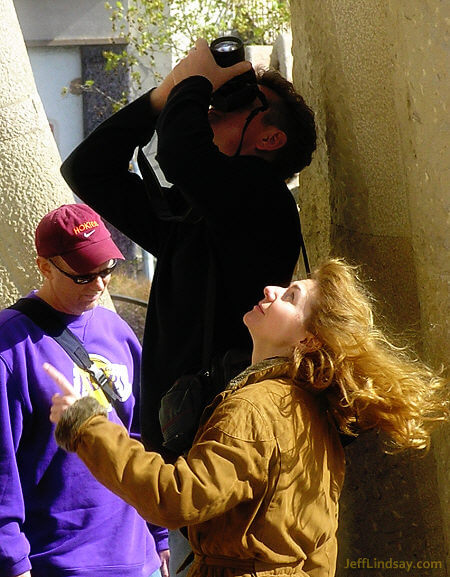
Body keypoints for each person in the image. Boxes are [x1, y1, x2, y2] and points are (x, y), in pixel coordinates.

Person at [46, 258, 447, 577]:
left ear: (309, 339)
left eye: (291, 297)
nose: (271, 290)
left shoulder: (258, 408)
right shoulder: (308, 407)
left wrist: (86, 423)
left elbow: (175, 497)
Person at [60, 38, 317, 455]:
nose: (215, 108)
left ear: (271, 139)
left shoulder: (264, 200)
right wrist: (163, 96)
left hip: (227, 442)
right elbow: (88, 170)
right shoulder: (196, 217)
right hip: (183, 443)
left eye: (237, 106)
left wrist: (195, 81)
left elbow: (182, 155)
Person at [0, 204, 169, 577]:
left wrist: (159, 535)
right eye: (82, 276)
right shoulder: (8, 346)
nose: (98, 285)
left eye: (106, 271)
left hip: (140, 560)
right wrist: (13, 563)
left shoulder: (116, 330)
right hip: (55, 564)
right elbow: (2, 470)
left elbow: (141, 436)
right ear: (45, 266)